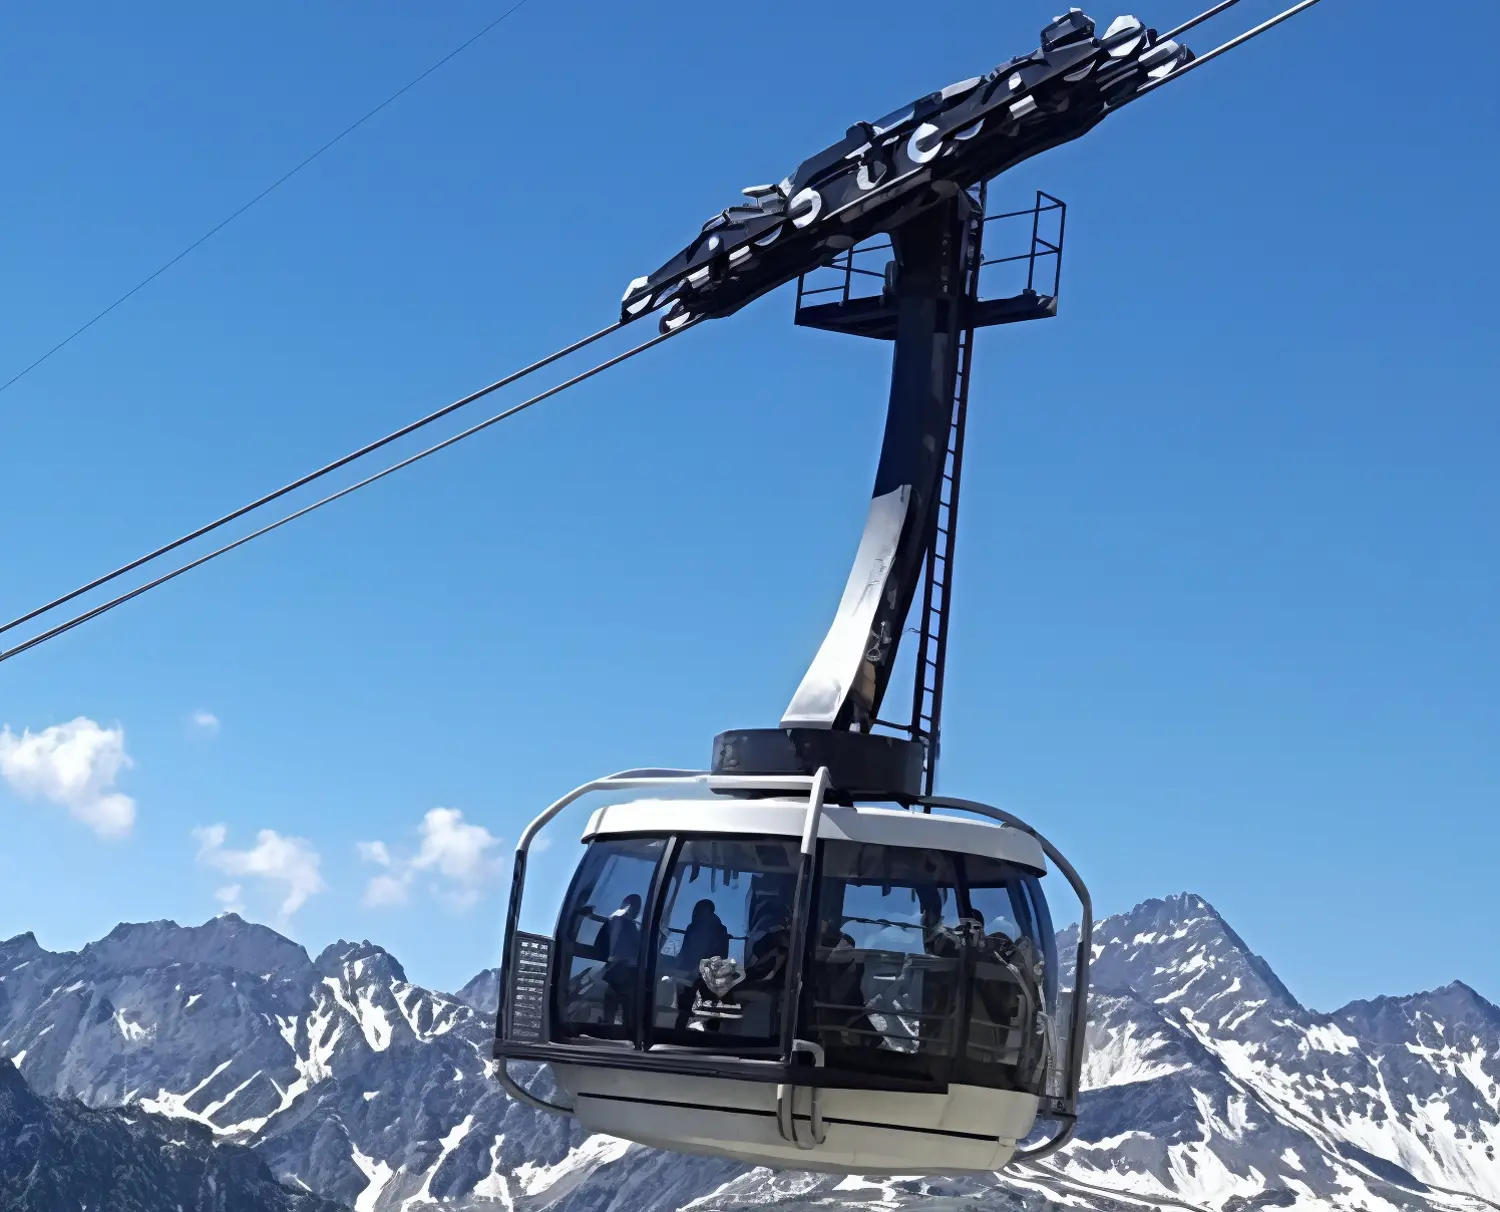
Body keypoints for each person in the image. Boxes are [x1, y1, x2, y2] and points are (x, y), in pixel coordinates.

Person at [600, 893, 642, 1034]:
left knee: (618, 999)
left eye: (638, 908)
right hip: (622, 969)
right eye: (635, 907)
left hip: (622, 970)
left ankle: (615, 1027)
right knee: (622, 999)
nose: (637, 911)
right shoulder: (620, 921)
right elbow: (616, 947)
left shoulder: (621, 922)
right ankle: (615, 1028)